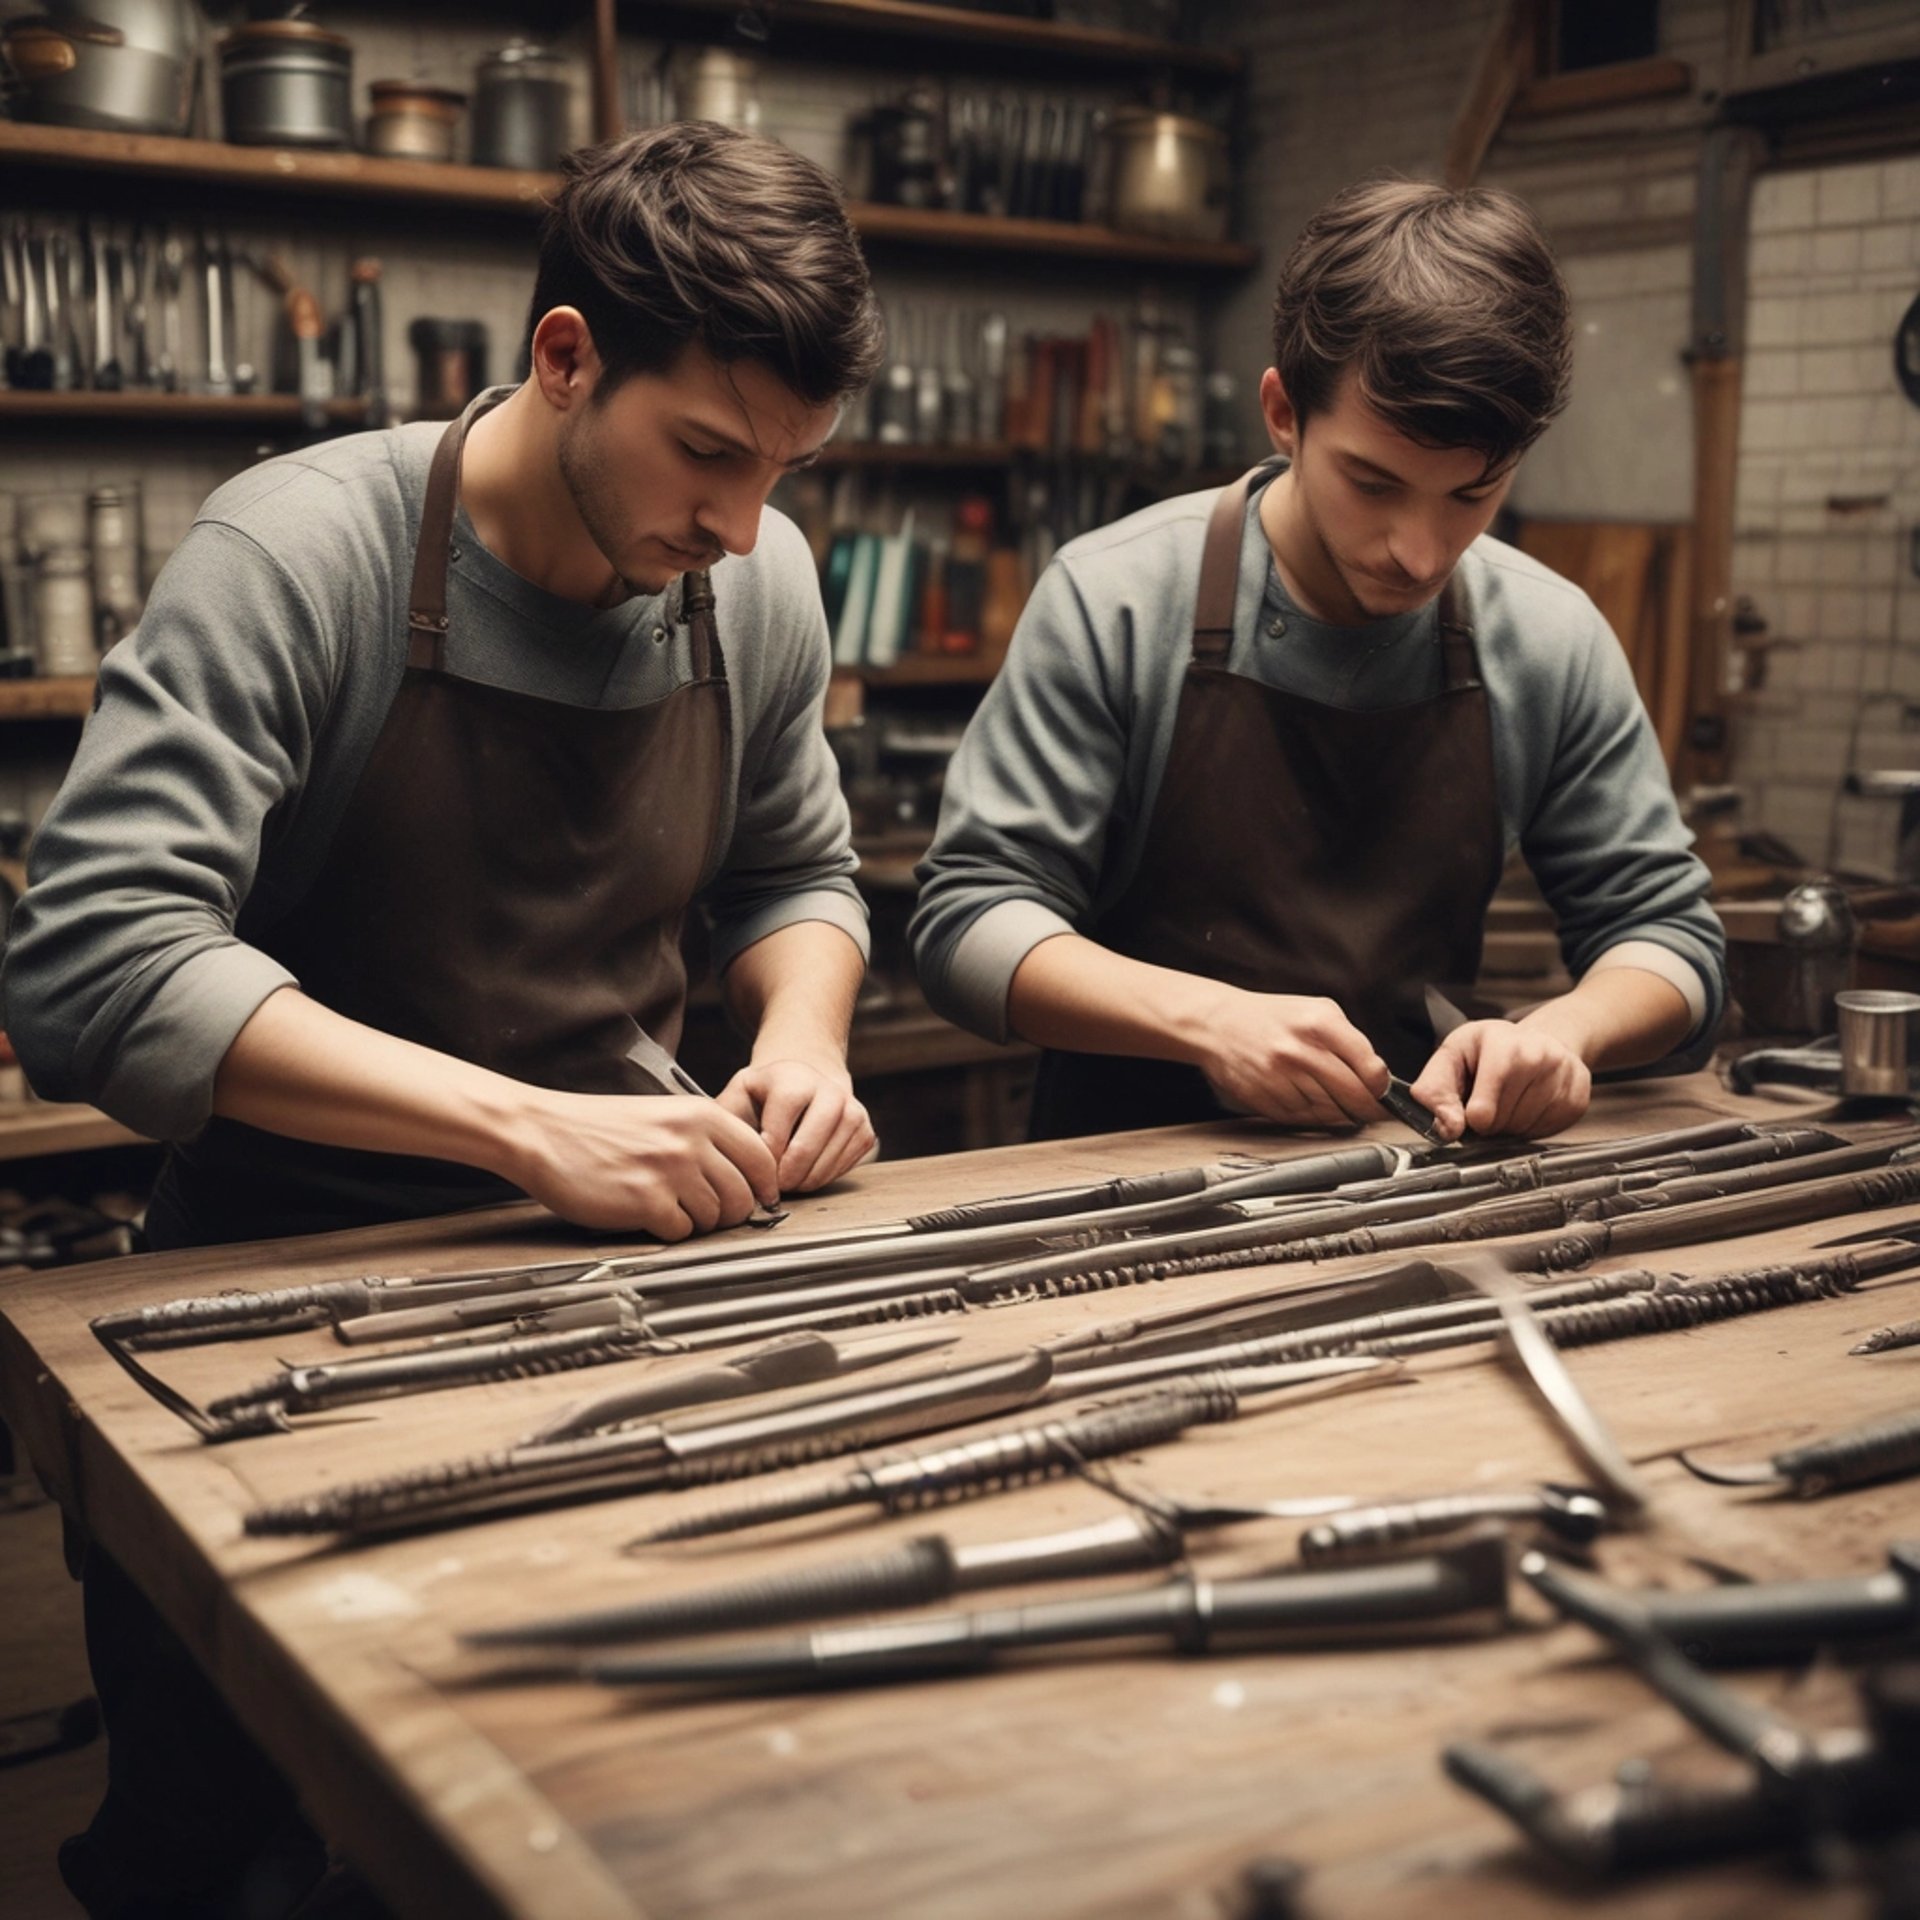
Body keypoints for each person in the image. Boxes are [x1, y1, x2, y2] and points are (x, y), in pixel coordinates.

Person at [1, 124, 883, 1916]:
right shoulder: (300, 552)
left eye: (783, 471)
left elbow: (799, 881)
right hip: (267, 1314)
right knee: (209, 1850)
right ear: (565, 358)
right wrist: (519, 1123)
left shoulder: (752, 582)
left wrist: (801, 1042)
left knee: (572, 1820)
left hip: (625, 1292)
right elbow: (92, 960)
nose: (738, 524)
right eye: (707, 453)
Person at [910, 178, 1725, 1145]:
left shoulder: (1548, 638)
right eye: (1373, 484)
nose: (1418, 552)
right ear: (1284, 413)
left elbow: (1673, 940)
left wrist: (1565, 1035)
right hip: (1120, 1177)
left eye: (1471, 496)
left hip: (1414, 1176)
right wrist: (1207, 1021)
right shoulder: (1116, 599)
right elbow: (965, 924)